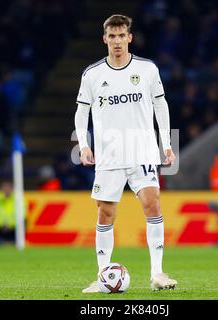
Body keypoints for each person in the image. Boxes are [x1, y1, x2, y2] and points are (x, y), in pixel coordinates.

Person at [74, 14, 177, 293]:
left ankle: (157, 273)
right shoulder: (93, 75)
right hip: (109, 155)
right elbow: (81, 113)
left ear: (129, 38)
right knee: (105, 213)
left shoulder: (147, 70)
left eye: (122, 36)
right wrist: (83, 144)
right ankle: (102, 275)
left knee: (152, 203)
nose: (117, 41)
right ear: (104, 39)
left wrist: (166, 144)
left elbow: (161, 107)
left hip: (141, 150)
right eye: (112, 36)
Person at [0, 181, 25, 245]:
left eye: (8, 188)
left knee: (23, 222)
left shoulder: (18, 200)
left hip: (12, 227)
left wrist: (10, 225)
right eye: (5, 188)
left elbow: (22, 215)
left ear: (12, 189)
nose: (6, 190)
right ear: (1, 189)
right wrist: (1, 224)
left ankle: (15, 242)